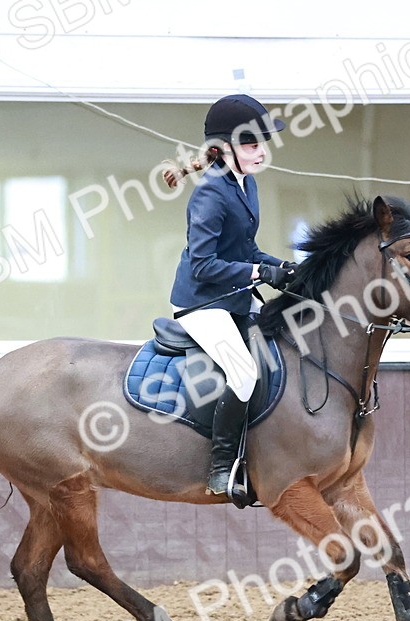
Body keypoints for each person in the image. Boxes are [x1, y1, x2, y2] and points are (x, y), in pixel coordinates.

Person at [165, 95, 299, 496]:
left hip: (234, 294)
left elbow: (244, 249)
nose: (261, 151)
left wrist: (286, 268)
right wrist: (262, 273)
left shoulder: (247, 184)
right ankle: (221, 467)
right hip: (201, 302)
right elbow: (204, 265)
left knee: (287, 339)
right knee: (244, 374)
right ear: (224, 149)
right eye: (251, 143)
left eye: (262, 143)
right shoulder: (209, 194)